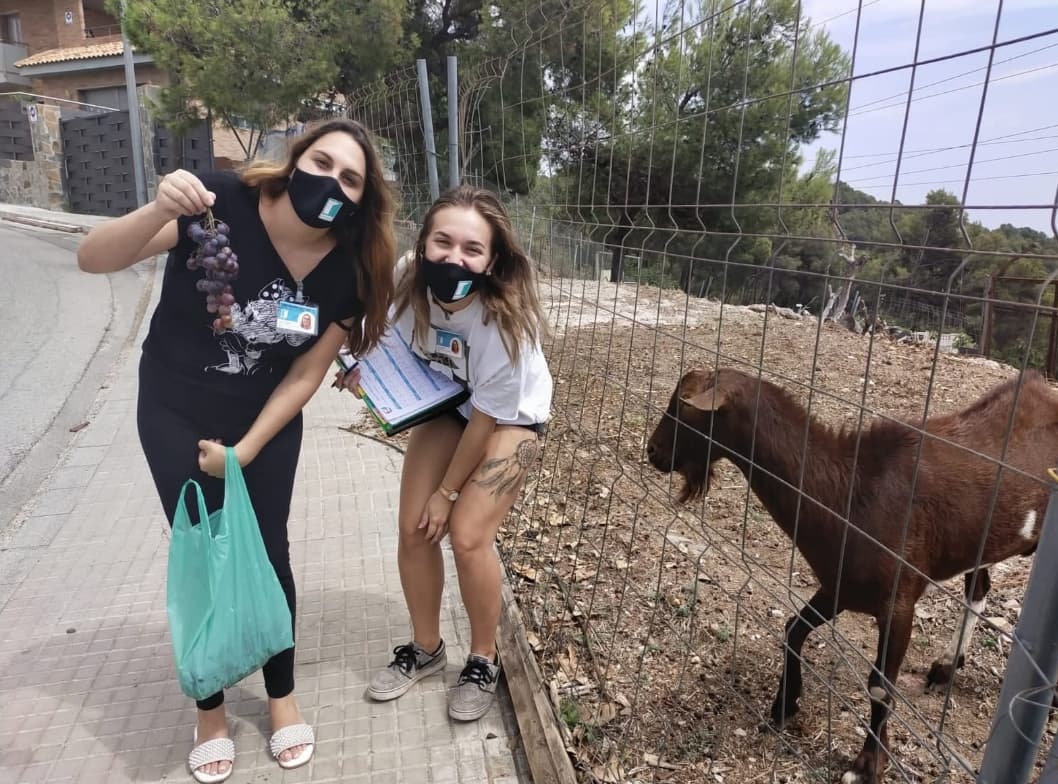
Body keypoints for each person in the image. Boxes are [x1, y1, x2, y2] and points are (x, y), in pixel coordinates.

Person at [77, 118, 396, 783]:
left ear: (362, 200)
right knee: (202, 547)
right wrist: (160, 208)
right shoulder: (217, 203)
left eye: (350, 178)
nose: (331, 182)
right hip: (172, 406)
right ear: (293, 161)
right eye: (322, 162)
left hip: (265, 420)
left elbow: (308, 373)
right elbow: (94, 258)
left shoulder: (347, 270)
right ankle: (211, 709)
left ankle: (282, 696)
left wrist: (248, 450)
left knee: (267, 549)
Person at [336, 185, 553, 722]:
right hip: (446, 398)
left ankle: (484, 658)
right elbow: (383, 333)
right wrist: (360, 367)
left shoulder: (504, 325)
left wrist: (447, 492)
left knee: (467, 533)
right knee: (414, 527)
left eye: (472, 249)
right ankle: (426, 648)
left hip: (507, 418)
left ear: (492, 259)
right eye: (443, 242)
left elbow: (485, 421)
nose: (454, 257)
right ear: (425, 243)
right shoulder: (411, 274)